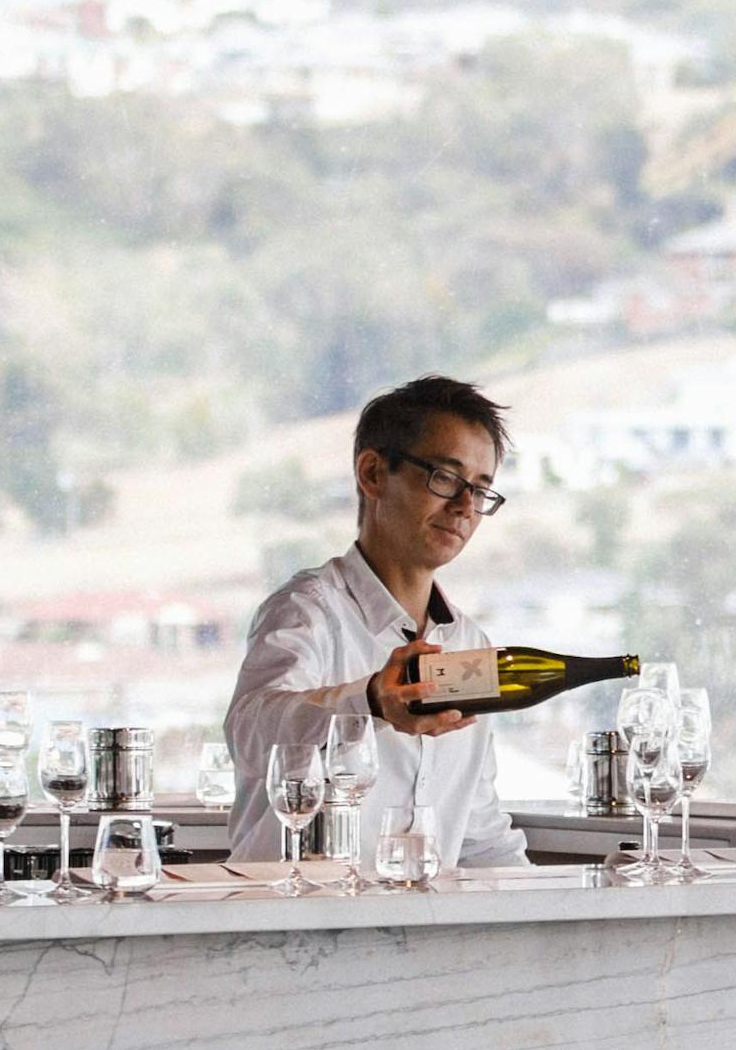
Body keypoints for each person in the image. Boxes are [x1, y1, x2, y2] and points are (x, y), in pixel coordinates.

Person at [225, 375, 530, 879]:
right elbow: (251, 733)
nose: (463, 508)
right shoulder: (308, 611)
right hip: (286, 924)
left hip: (413, 938)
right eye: (445, 479)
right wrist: (369, 700)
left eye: (480, 491)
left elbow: (476, 829)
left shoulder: (469, 644)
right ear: (372, 472)